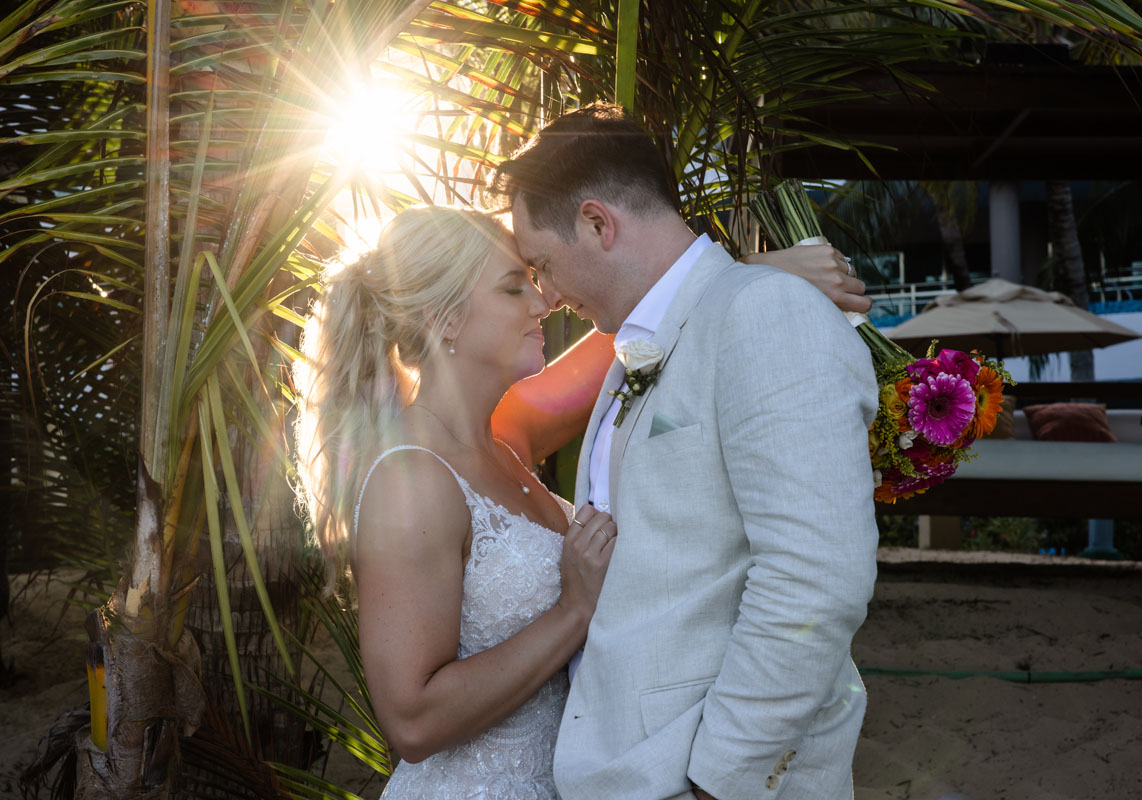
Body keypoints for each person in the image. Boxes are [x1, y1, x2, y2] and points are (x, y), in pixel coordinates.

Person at [292, 201, 869, 797]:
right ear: (445, 320)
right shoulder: (407, 480)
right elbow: (411, 721)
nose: (543, 303)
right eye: (514, 288)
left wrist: (744, 276)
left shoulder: (507, 438)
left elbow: (644, 336)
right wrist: (573, 612)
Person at [490, 102, 879, 800]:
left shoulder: (766, 312)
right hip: (627, 766)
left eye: (542, 265)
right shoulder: (635, 349)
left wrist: (719, 781)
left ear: (597, 223)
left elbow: (816, 578)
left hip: (704, 777)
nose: (545, 294)